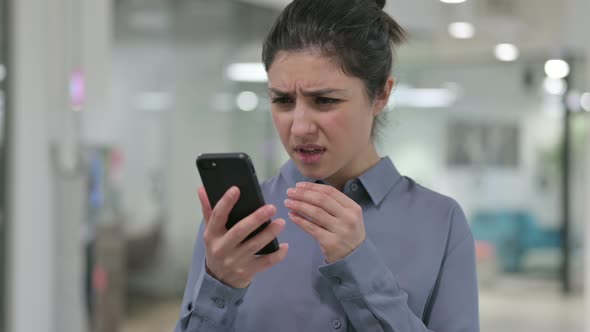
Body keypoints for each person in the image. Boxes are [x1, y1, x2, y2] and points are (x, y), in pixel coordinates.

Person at [175, 0, 479, 330]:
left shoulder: (441, 223)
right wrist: (219, 285)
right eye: (283, 100)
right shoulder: (239, 224)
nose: (300, 127)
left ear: (380, 95)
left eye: (325, 101)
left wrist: (359, 265)